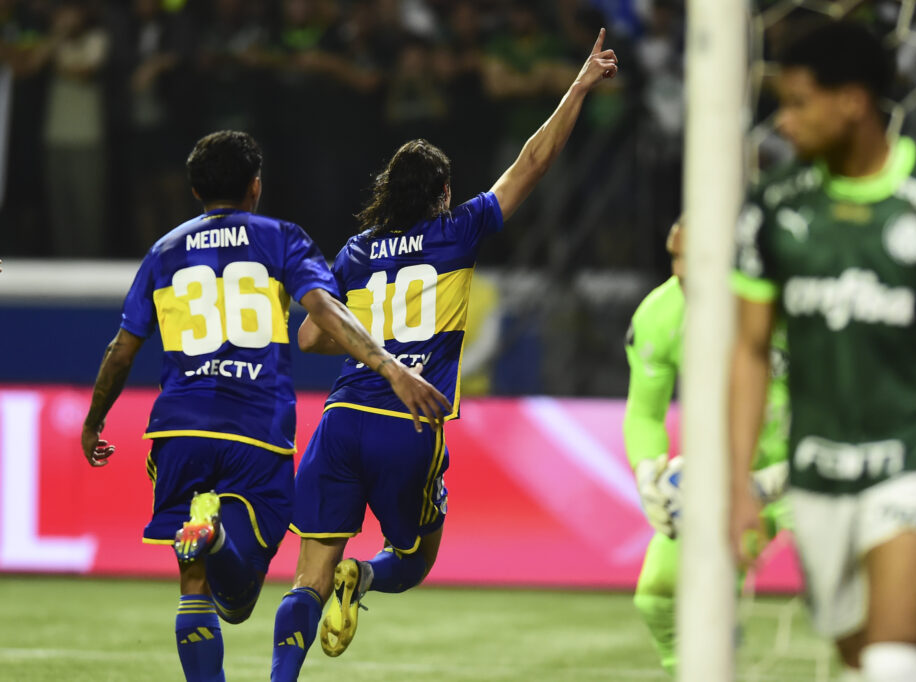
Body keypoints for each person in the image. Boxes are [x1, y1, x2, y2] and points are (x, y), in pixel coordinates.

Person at [268, 28, 618, 681]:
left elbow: (310, 337)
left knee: (304, 578)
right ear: (440, 195)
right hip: (409, 424)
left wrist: (357, 320)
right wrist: (578, 86)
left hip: (341, 419)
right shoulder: (460, 231)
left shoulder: (355, 253)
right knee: (414, 560)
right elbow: (532, 163)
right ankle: (364, 576)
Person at [79, 130, 449, 682]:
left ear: (194, 188)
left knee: (196, 586)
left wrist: (93, 422)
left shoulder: (163, 252)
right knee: (242, 597)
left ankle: (205, 537)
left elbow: (122, 349)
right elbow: (325, 312)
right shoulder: (281, 239)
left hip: (177, 430)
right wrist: (388, 366)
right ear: (255, 186)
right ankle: (219, 537)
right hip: (257, 431)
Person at [727, 20, 916, 682]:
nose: (784, 123)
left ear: (852, 102)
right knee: (859, 660)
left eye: (799, 104)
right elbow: (749, 351)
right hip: (818, 471)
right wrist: (737, 479)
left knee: (895, 659)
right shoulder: (774, 209)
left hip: (915, 459)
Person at [625, 219, 790, 674]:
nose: (680, 271)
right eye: (673, 257)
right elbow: (644, 414)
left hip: (807, 473)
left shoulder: (790, 301)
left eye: (691, 259)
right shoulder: (658, 315)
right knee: (658, 595)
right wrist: (648, 475)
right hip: (722, 482)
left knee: (841, 602)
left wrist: (779, 478)